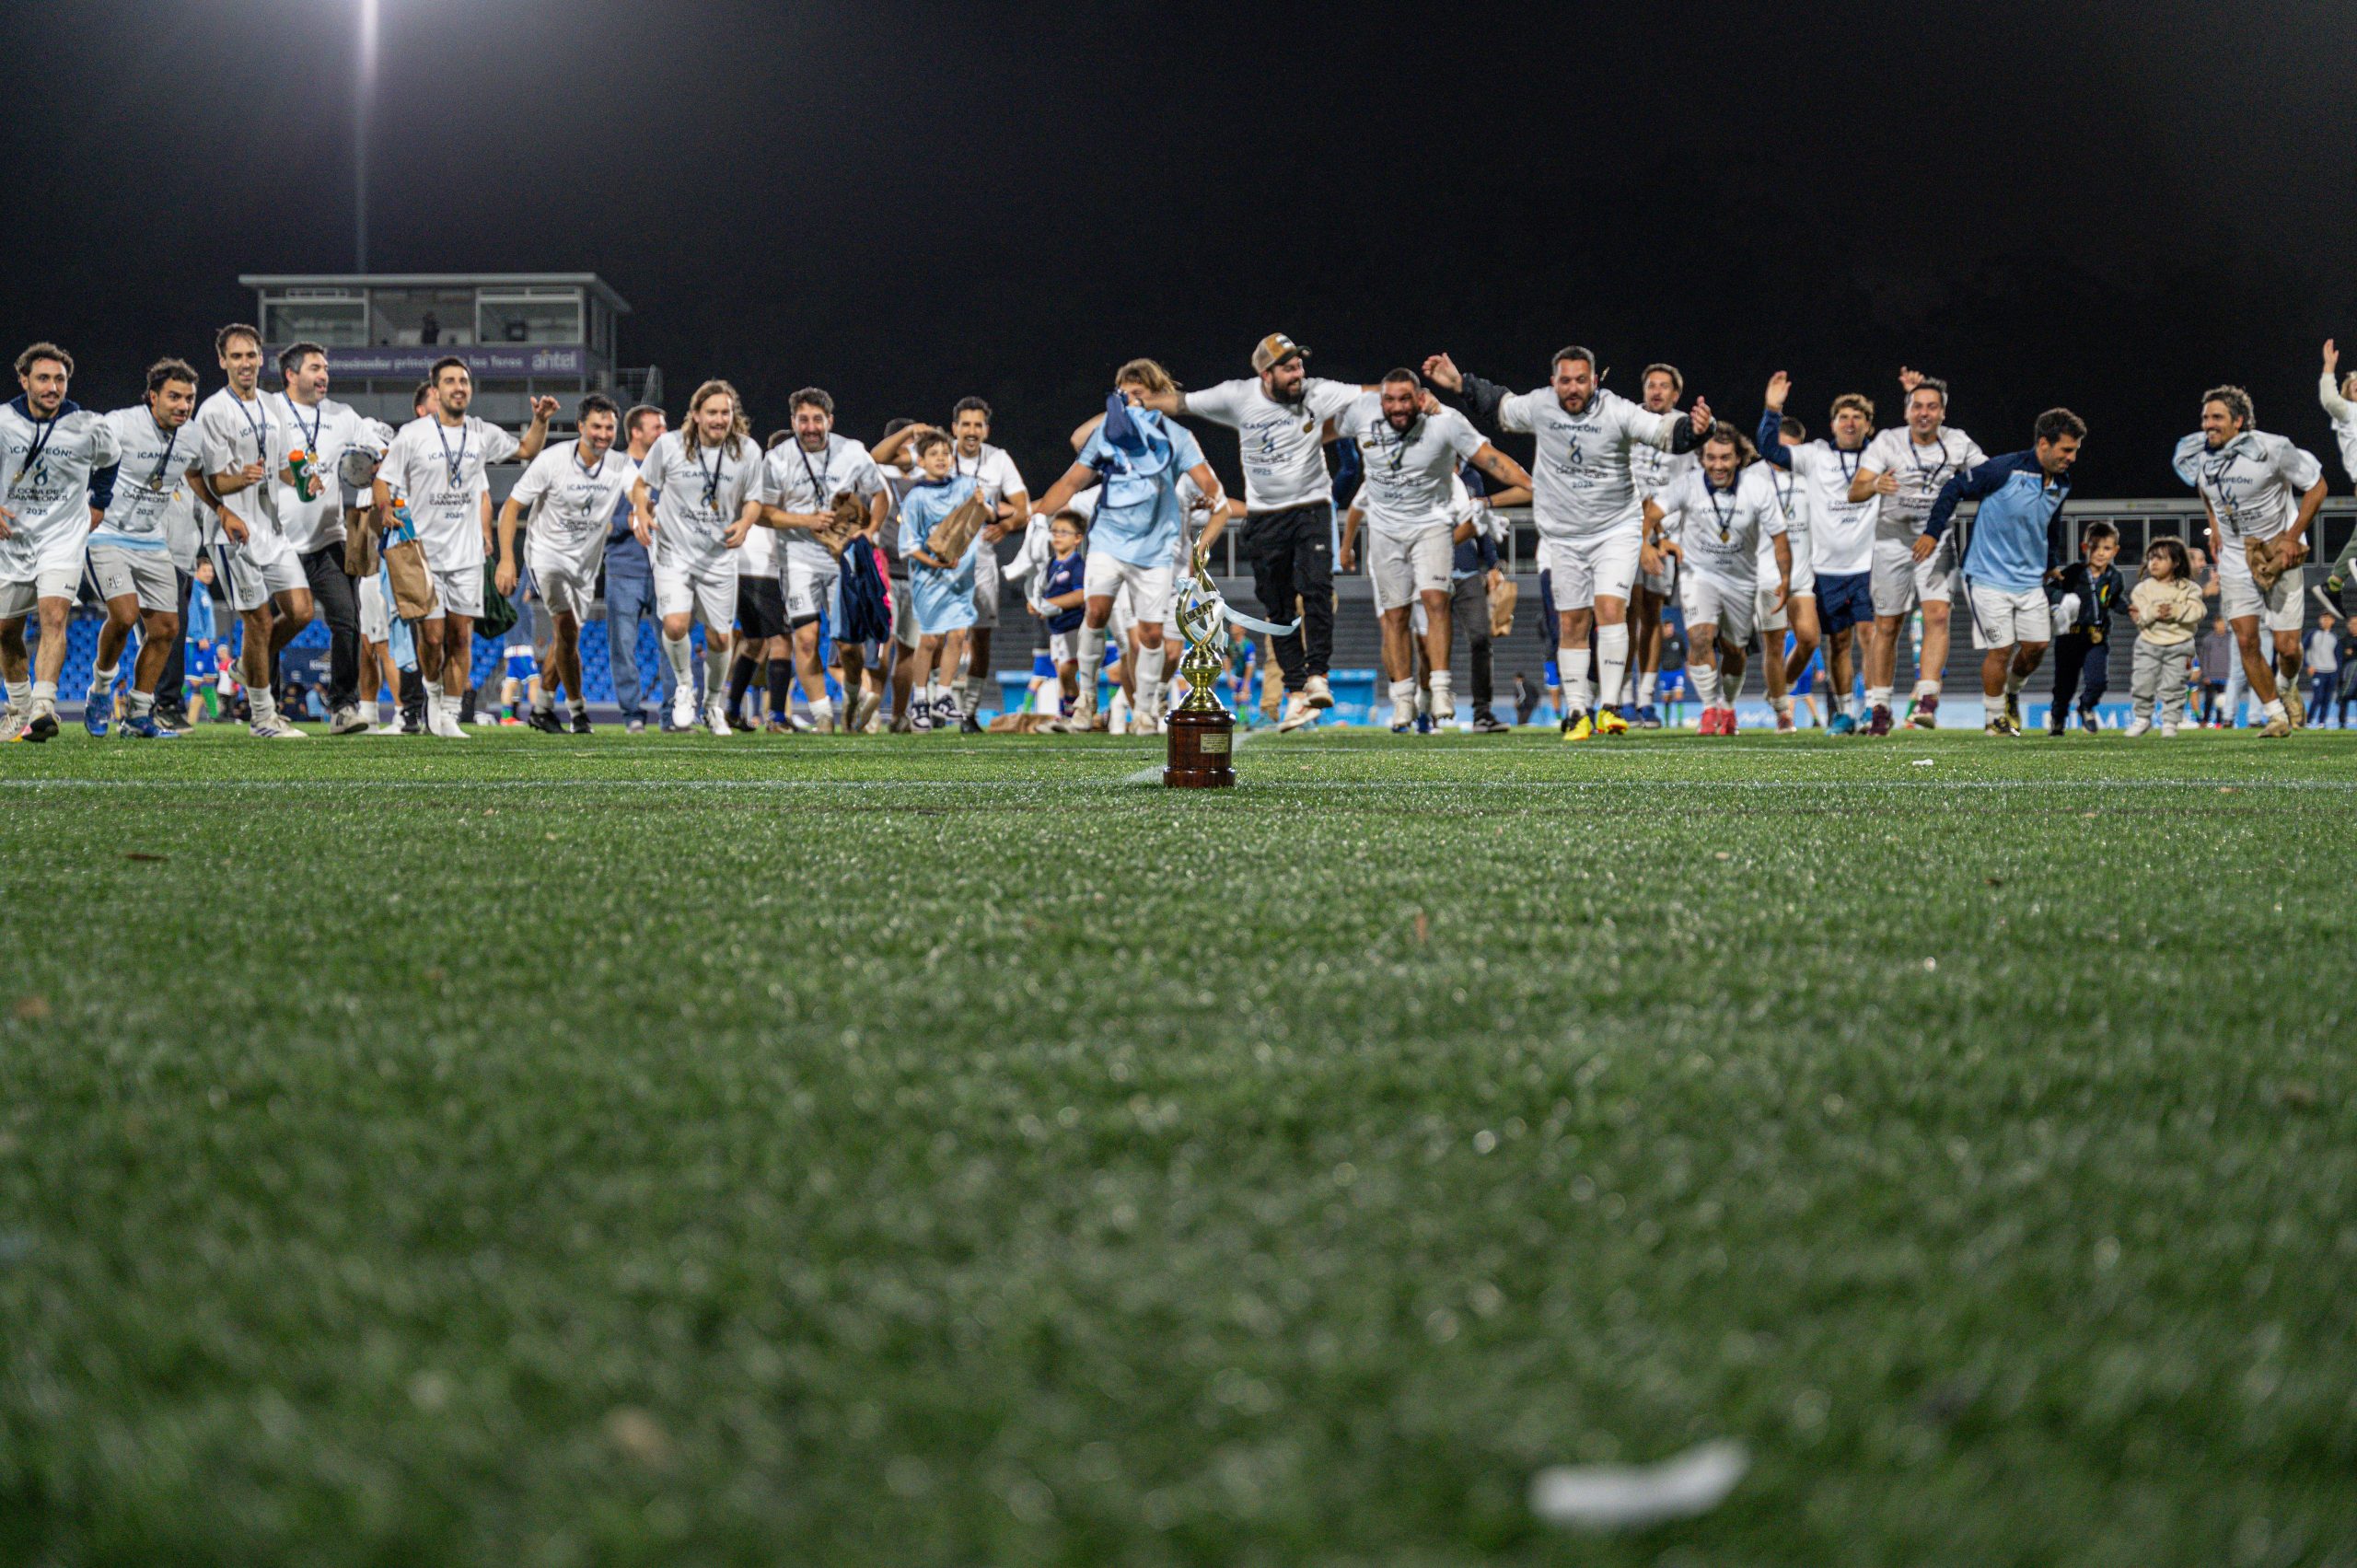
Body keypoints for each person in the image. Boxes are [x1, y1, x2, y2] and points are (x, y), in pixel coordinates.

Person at [1422, 345, 1712, 740]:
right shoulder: (1542, 406)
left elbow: (1664, 434)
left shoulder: (1617, 410)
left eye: (1580, 380)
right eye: (1565, 380)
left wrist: (1697, 431)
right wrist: (1460, 383)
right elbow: (1501, 407)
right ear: (1553, 381)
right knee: (1572, 621)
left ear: (1594, 381)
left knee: (1611, 608)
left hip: (1615, 529)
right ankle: (1578, 711)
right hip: (1564, 533)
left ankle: (1610, 707)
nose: (1572, 388)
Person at [1138, 334, 1364, 726]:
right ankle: (1296, 691)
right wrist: (1134, 403)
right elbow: (1181, 402)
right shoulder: (1237, 396)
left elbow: (1369, 394)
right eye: (1289, 367)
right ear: (1266, 372)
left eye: (1299, 365)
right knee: (1276, 605)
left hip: (1310, 508)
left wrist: (1414, 392)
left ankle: (1317, 676)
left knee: (1317, 590)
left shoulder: (1316, 392)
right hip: (1265, 516)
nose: (1298, 374)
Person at [1028, 360, 1227, 734]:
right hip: (1108, 542)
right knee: (1096, 612)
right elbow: (1071, 481)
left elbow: (1213, 490)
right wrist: (1038, 517)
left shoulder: (1176, 437)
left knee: (1152, 636)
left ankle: (1147, 711)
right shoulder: (1108, 432)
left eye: (1140, 394)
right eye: (1125, 394)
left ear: (1158, 398)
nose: (1131, 402)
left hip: (1156, 550)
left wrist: (1206, 524)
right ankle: (1086, 702)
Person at [1335, 369, 1532, 731]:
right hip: (1386, 532)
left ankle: (1440, 689)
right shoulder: (1364, 414)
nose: (1397, 407)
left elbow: (1491, 459)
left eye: (1405, 399)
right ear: (1381, 400)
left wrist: (1526, 482)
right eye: (1390, 399)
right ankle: (1402, 699)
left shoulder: (1446, 425)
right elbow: (1324, 431)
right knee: (1394, 618)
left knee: (1435, 600)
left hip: (1430, 526)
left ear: (1421, 398)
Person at [374, 355, 554, 738]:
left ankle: (450, 715)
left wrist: (541, 421)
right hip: (423, 555)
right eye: (451, 381)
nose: (459, 387)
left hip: (468, 555)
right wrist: (386, 506)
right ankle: (433, 694)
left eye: (464, 381)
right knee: (433, 638)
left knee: (460, 635)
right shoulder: (413, 434)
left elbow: (526, 450)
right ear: (436, 391)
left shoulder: (481, 432)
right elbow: (383, 478)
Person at [2170, 384, 2325, 738]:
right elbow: (2205, 487)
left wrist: (2292, 535)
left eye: (2217, 417)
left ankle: (2286, 685)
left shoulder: (2272, 448)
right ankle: (2275, 716)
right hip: (2236, 558)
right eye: (2205, 417)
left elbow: (2317, 487)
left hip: (2276, 551)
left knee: (2287, 647)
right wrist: (2215, 526)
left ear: (2238, 421)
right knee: (2246, 641)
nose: (2208, 424)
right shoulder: (2199, 453)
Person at [1921, 407, 2086, 735]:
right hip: (1986, 577)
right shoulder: (2002, 470)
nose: (2071, 458)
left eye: (2075, 451)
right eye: (2066, 450)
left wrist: (2051, 562)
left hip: (2028, 580)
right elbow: (1954, 488)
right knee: (2000, 648)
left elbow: (2050, 523)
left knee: (2037, 647)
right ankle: (1993, 718)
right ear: (2043, 444)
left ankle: (2011, 693)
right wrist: (1932, 531)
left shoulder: (2062, 482)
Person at [632, 378, 771, 737]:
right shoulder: (669, 445)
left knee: (721, 639)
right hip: (674, 552)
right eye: (712, 412)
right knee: (675, 625)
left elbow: (755, 498)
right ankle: (682, 687)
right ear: (695, 415)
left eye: (725, 412)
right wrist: (643, 512)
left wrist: (745, 521)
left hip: (718, 556)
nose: (719, 419)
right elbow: (641, 484)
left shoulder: (747, 450)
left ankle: (711, 706)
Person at [197, 324, 318, 738]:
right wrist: (242, 479)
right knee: (259, 622)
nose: (245, 363)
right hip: (234, 531)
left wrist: (304, 481)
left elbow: (281, 465)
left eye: (251, 355)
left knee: (302, 610)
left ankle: (248, 666)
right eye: (236, 357)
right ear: (222, 361)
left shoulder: (271, 405)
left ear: (260, 357)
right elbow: (214, 481)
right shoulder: (214, 411)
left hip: (271, 527)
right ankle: (262, 717)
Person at [0, 343, 124, 741]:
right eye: (43, 378)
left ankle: (43, 706)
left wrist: (99, 504)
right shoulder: (3, 421)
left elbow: (111, 460)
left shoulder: (89, 424)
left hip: (62, 538)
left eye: (60, 379)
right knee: (4, 630)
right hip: (12, 539)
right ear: (24, 380)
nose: (53, 387)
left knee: (54, 617)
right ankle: (17, 707)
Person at [1853, 370, 1985, 731]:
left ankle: (1927, 699)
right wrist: (1875, 484)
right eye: (1917, 406)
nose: (1924, 413)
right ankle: (1879, 705)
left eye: (1932, 407)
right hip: (1891, 541)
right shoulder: (1887, 441)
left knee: (1938, 616)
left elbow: (1988, 476)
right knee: (1888, 625)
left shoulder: (1958, 443)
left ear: (1943, 413)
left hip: (1937, 539)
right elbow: (1855, 491)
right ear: (1907, 411)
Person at [497, 393, 636, 734]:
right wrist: (506, 560)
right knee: (566, 628)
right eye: (596, 427)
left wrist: (644, 511)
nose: (603, 434)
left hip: (585, 566)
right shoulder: (553, 460)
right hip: (545, 556)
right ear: (580, 428)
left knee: (567, 638)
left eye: (609, 427)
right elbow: (511, 508)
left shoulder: (620, 464)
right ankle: (578, 712)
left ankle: (543, 708)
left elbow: (639, 491)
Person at [1642, 425, 1793, 735]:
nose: (1718, 465)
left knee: (1734, 650)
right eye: (1711, 457)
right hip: (1699, 574)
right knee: (1699, 637)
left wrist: (1786, 577)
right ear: (1702, 458)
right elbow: (1651, 512)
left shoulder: (1758, 488)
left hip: (1741, 580)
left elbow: (1779, 537)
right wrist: (1648, 544)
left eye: (1725, 457)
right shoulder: (1688, 484)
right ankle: (1710, 708)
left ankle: (1727, 708)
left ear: (1738, 458)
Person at [83, 357, 203, 738]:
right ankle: (101, 690)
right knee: (123, 615)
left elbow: (196, 471)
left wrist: (221, 510)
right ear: (153, 397)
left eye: (189, 398)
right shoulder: (120, 423)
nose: (183, 405)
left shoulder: (192, 436)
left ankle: (138, 714)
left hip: (151, 539)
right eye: (174, 397)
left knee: (167, 628)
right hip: (107, 534)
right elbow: (77, 455)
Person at [759, 388, 888, 734]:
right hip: (797, 559)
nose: (811, 427)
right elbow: (762, 513)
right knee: (805, 638)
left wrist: (872, 529)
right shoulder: (778, 458)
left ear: (830, 421)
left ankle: (851, 699)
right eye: (803, 419)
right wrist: (806, 520)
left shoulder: (853, 452)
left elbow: (880, 494)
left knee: (849, 645)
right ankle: (823, 718)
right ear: (793, 422)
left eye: (818, 419)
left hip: (842, 560)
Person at [1757, 375, 1880, 734]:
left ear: (1868, 425)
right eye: (1844, 417)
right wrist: (1772, 410)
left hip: (1868, 565)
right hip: (1825, 569)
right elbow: (1771, 450)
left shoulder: (1880, 456)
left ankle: (1874, 708)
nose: (1850, 423)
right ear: (1833, 424)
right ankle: (1843, 713)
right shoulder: (1816, 456)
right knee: (1837, 642)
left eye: (1858, 418)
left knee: (1870, 634)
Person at [271, 341, 373, 734]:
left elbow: (376, 448)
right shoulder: (270, 411)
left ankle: (344, 707)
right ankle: (268, 709)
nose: (324, 374)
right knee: (273, 623)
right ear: (291, 375)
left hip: (329, 538)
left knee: (346, 620)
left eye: (326, 367)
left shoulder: (342, 415)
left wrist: (378, 458)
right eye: (315, 367)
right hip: (278, 539)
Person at [895, 428, 983, 730]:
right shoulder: (917, 497)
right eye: (933, 454)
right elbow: (908, 545)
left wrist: (982, 504)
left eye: (946, 453)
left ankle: (943, 695)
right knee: (930, 639)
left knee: (958, 635)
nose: (941, 458)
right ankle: (920, 699)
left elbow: (981, 519)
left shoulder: (966, 487)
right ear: (921, 460)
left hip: (959, 578)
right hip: (928, 580)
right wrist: (935, 562)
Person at [1626, 363, 1696, 726]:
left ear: (1676, 394)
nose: (1656, 391)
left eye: (1663, 386)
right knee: (1623, 613)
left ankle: (1644, 699)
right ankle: (1619, 698)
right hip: (1624, 531)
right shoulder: (1627, 420)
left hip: (1666, 537)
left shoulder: (1687, 429)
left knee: (1652, 615)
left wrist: (1664, 536)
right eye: (1650, 385)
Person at [601, 405, 668, 733]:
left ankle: (671, 715)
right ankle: (632, 715)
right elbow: (596, 521)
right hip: (623, 568)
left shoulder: (671, 467)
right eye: (656, 427)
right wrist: (625, 521)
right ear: (636, 433)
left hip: (666, 569)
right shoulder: (613, 469)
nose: (664, 433)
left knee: (673, 643)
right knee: (622, 647)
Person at [2045, 521, 2126, 735]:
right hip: (2070, 638)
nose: (2100, 553)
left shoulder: (2115, 577)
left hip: (2096, 639)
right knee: (2064, 685)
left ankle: (2086, 707)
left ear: (2115, 550)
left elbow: (2114, 601)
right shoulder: (2072, 573)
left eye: (2106, 548)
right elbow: (2050, 589)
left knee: (2098, 681)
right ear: (2084, 548)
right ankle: (2058, 718)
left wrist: (2130, 609)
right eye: (2095, 547)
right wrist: (2060, 598)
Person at [1451, 466, 1512, 733]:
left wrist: (1494, 564)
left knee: (1480, 638)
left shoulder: (1471, 476)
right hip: (1431, 570)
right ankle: (1425, 710)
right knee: (1426, 643)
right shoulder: (1422, 463)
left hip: (1467, 572)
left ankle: (1482, 712)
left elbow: (1482, 523)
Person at [2124, 536, 2204, 738]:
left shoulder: (2190, 588)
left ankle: (2170, 723)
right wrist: (2154, 612)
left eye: (2161, 558)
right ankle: (2143, 719)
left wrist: (2175, 610)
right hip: (2148, 643)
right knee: (2142, 682)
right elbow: (2139, 617)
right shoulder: (2142, 589)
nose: (2154, 563)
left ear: (2176, 562)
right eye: (2151, 558)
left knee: (2175, 685)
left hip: (2180, 644)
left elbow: (2198, 611)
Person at [2196, 615, 2233, 726]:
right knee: (2209, 700)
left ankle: (2219, 723)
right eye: (2218, 623)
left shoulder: (2231, 639)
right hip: (2211, 676)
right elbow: (2204, 658)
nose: (2221, 626)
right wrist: (2205, 675)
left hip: (2226, 676)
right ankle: (2205, 721)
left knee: (2222, 701)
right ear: (2214, 625)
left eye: (2222, 623)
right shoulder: (2208, 639)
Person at [2305, 612, 2339, 726]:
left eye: (2328, 619)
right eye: (2323, 618)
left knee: (2327, 698)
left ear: (2333, 621)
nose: (2326, 621)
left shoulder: (2335, 636)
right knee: (2317, 697)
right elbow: (2303, 649)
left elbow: (2338, 656)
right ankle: (2308, 721)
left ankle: (2322, 722)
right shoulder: (2312, 634)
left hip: (2331, 672)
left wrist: (2337, 672)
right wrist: (2308, 665)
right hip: (2318, 671)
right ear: (2320, 620)